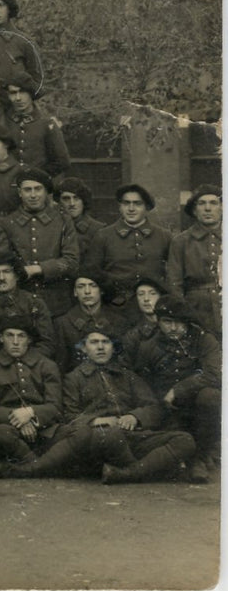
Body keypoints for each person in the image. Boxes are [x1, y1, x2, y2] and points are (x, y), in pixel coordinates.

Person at [5, 328, 195, 484]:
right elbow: (68, 416)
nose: (101, 347)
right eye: (94, 342)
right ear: (84, 348)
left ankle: (128, 473)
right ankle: (142, 471)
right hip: (97, 439)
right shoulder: (74, 378)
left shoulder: (128, 376)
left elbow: (153, 407)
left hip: (132, 436)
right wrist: (97, 421)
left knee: (184, 440)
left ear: (113, 347)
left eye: (106, 342)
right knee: (108, 435)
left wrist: (135, 417)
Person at [122, 297, 220, 482]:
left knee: (211, 397)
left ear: (187, 322)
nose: (173, 328)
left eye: (179, 322)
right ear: (158, 321)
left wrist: (179, 389)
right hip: (165, 408)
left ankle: (201, 455)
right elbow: (140, 382)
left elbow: (214, 374)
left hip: (197, 405)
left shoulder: (204, 340)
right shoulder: (149, 347)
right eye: (167, 322)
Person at [0, 315, 64, 474]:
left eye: (21, 336)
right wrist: (20, 420)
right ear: (1, 338)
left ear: (29, 340)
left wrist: (30, 413)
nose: (15, 342)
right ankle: (39, 466)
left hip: (45, 430)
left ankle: (25, 468)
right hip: (10, 431)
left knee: (77, 433)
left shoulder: (46, 365)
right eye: (10, 335)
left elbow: (55, 406)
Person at [0, 167, 80, 314]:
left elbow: (72, 261)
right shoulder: (7, 223)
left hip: (57, 303)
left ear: (46, 192)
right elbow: (1, 260)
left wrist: (38, 269)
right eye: (27, 190)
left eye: (38, 189)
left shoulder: (63, 221)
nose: (33, 195)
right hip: (19, 302)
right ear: (19, 193)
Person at [83, 183, 172, 304]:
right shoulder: (103, 236)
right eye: (126, 203)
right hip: (116, 305)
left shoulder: (164, 236)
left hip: (154, 303)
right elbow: (92, 272)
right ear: (120, 207)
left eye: (137, 203)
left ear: (147, 207)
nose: (131, 209)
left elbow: (174, 273)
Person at [0, 251, 56, 360]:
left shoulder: (34, 303)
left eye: (7, 272)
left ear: (16, 275)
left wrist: (24, 362)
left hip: (31, 364)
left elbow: (47, 343)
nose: (2, 278)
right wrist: (3, 363)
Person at [166, 183, 222, 335]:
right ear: (194, 210)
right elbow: (174, 283)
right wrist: (184, 314)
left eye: (213, 203)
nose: (207, 208)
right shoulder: (181, 241)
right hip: (197, 309)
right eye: (202, 203)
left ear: (223, 208)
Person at [55, 270, 127, 375]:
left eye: (93, 286)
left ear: (101, 290)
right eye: (81, 287)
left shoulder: (118, 321)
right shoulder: (63, 323)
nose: (87, 291)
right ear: (75, 292)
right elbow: (61, 365)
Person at [1, 71, 70, 177]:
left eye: (23, 92)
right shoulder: (2, 121)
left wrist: (37, 177)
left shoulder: (47, 124)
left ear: (32, 94)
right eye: (13, 93)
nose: (18, 98)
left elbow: (62, 162)